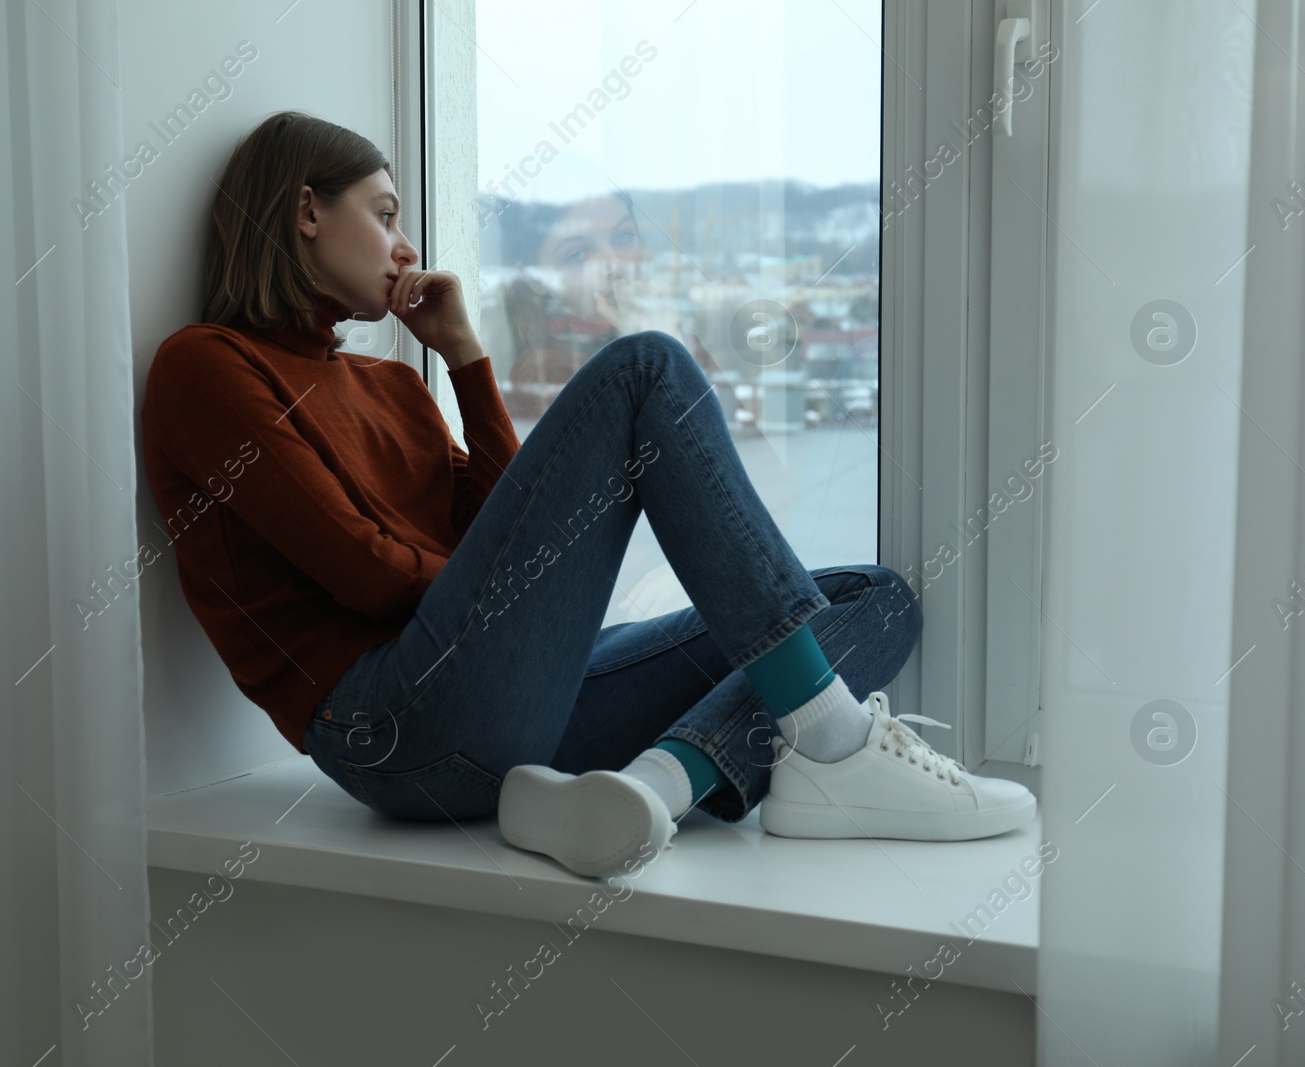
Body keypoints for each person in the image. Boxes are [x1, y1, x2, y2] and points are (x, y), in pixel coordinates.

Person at [140, 110, 1036, 880]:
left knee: (871, 597)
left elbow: (498, 523)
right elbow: (367, 577)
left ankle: (652, 789)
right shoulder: (207, 367)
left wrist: (465, 359)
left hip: (512, 708)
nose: (405, 245)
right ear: (305, 211)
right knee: (645, 370)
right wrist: (501, 589)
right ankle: (835, 748)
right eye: (383, 215)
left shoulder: (394, 388)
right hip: (388, 726)